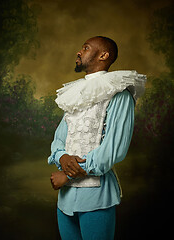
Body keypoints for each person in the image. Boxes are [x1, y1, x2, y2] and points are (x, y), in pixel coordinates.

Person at [48, 36, 146, 240]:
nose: (79, 51)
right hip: (64, 200)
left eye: (85, 48)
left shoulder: (120, 95)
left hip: (96, 199)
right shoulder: (76, 93)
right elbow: (59, 140)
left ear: (103, 55)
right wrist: (62, 158)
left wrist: (67, 176)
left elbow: (112, 151)